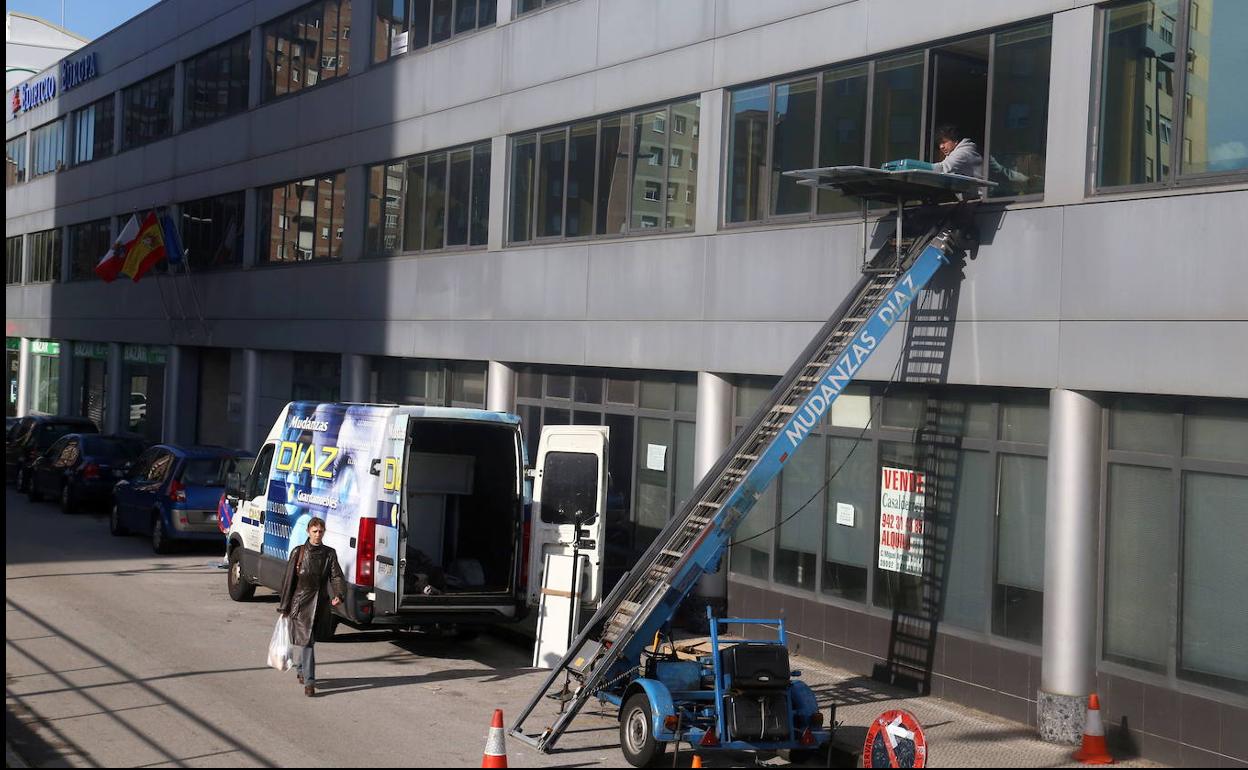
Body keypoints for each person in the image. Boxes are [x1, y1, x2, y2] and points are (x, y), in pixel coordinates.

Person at [277, 516, 346, 697]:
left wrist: (339, 594)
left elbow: (336, 576)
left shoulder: (329, 554)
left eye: (321, 531)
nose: (318, 535)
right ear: (308, 532)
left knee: (309, 639)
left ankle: (301, 668)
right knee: (307, 642)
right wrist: (284, 607)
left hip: (320, 604)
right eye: (314, 531)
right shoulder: (298, 552)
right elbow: (288, 582)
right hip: (301, 605)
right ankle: (310, 682)